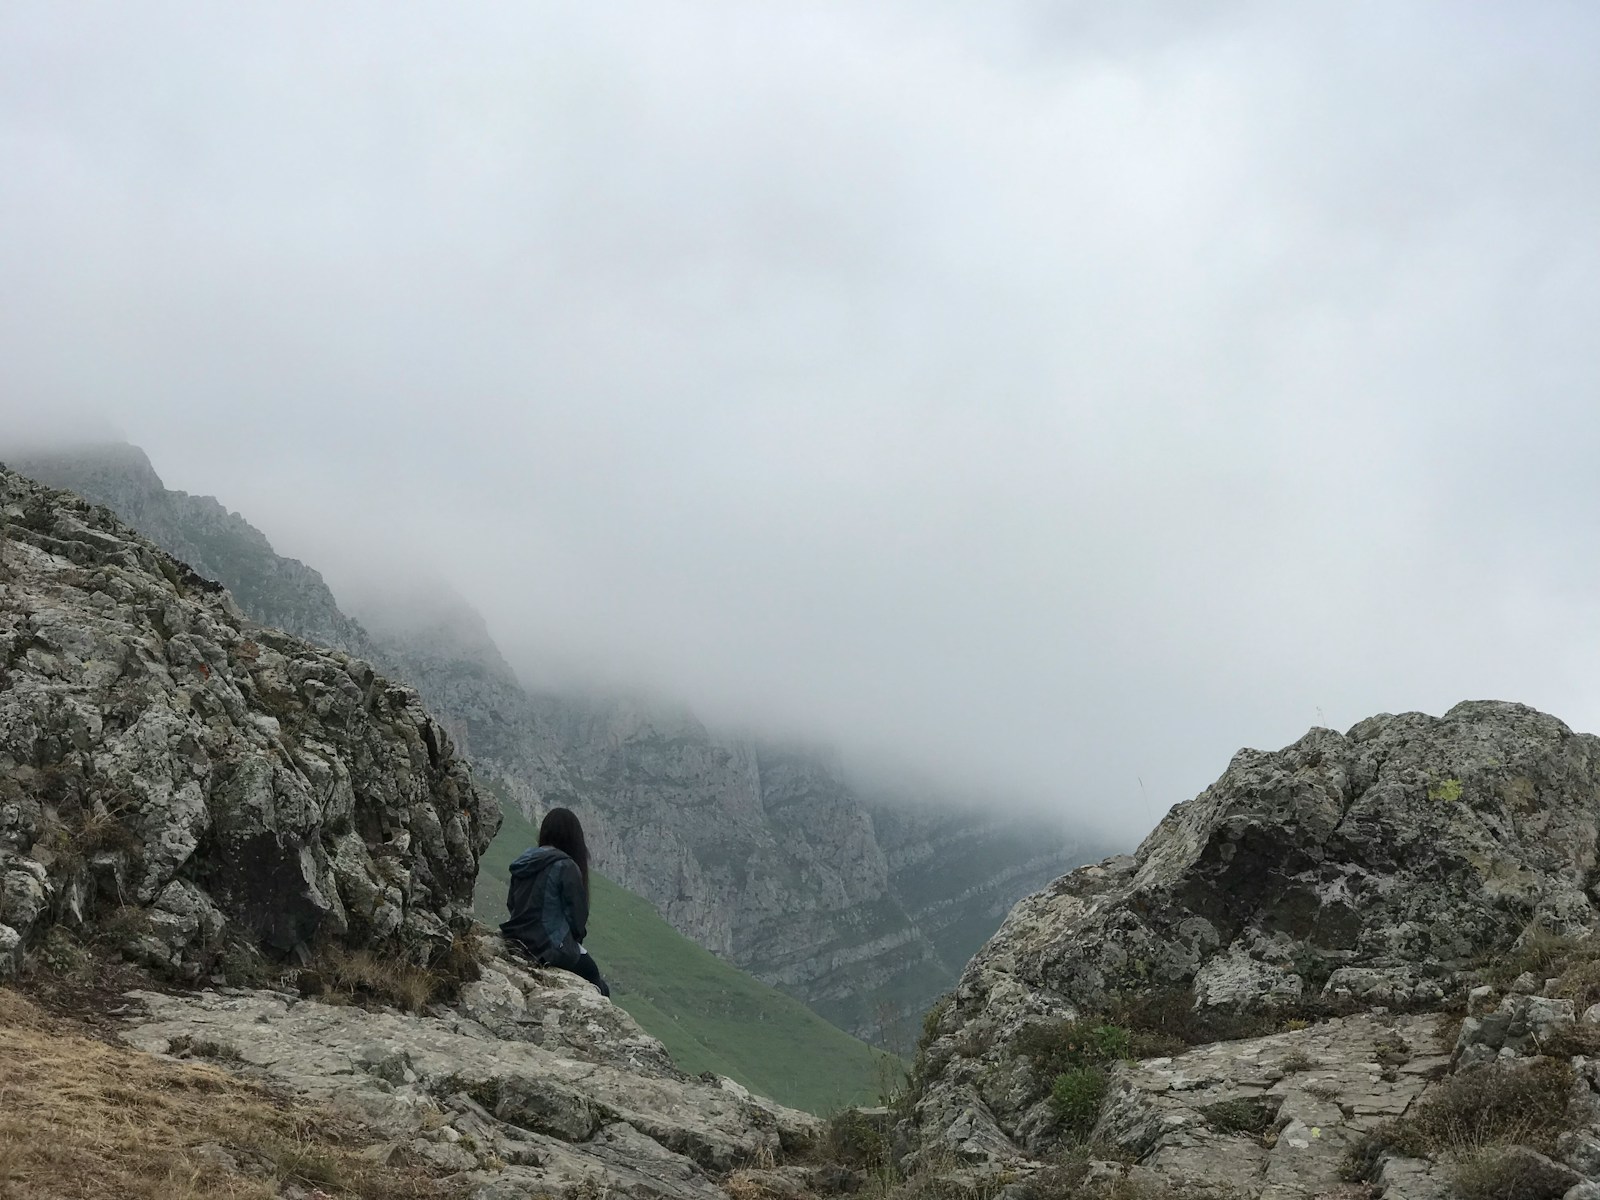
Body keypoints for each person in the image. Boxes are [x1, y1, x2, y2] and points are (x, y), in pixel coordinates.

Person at [501, 807, 611, 997]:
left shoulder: (523, 862)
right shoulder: (566, 866)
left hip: (515, 939)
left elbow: (512, 903)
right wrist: (573, 940)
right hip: (549, 947)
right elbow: (577, 917)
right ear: (573, 838)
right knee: (596, 979)